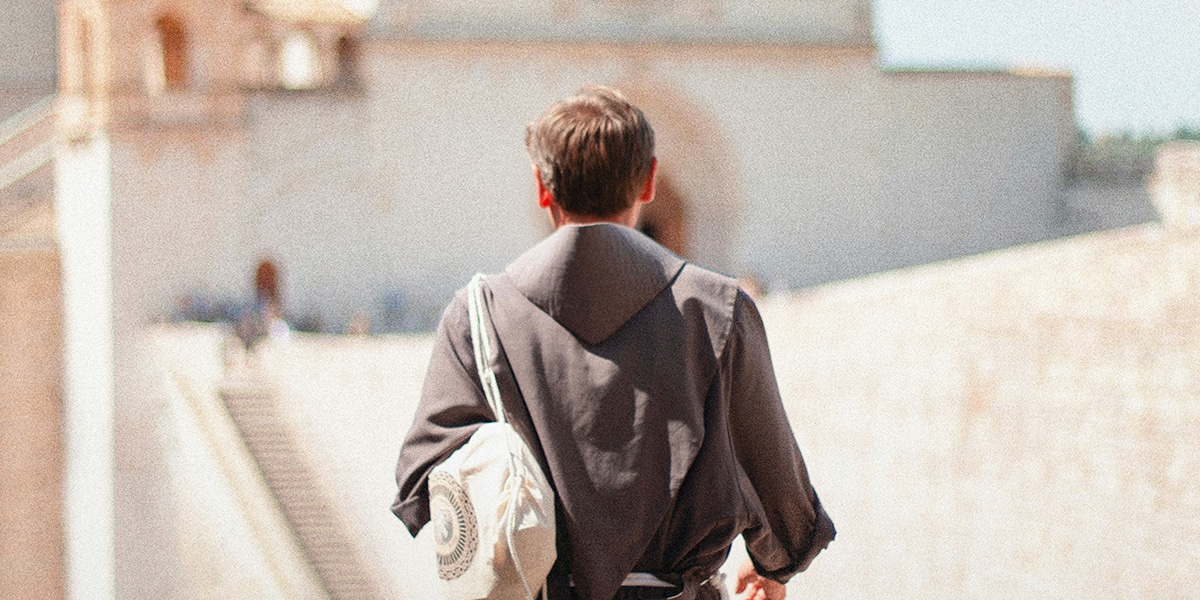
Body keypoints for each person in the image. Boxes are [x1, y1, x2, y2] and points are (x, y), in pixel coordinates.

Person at [392, 85, 834, 600]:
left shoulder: (477, 315)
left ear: (541, 187)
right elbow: (782, 499)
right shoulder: (720, 308)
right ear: (649, 182)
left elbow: (423, 479)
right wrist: (771, 567)